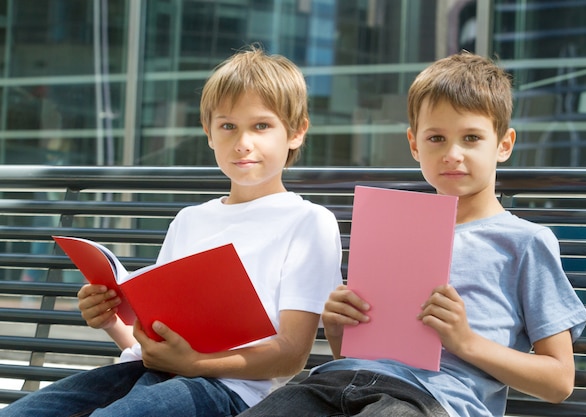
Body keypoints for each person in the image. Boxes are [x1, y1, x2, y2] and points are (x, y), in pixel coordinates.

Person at [238, 52, 586, 417]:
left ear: (503, 144)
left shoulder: (524, 242)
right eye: (436, 138)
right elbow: (356, 355)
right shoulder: (390, 230)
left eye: (471, 138)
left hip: (430, 399)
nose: (453, 154)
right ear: (414, 144)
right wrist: (338, 327)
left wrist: (465, 341)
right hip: (335, 382)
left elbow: (559, 381)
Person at [0, 46, 343, 417]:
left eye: (261, 126)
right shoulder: (190, 220)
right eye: (228, 126)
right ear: (208, 133)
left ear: (296, 132)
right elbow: (154, 339)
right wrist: (111, 319)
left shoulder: (308, 221)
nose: (243, 142)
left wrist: (196, 364)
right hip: (140, 372)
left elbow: (292, 354)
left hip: (227, 390)